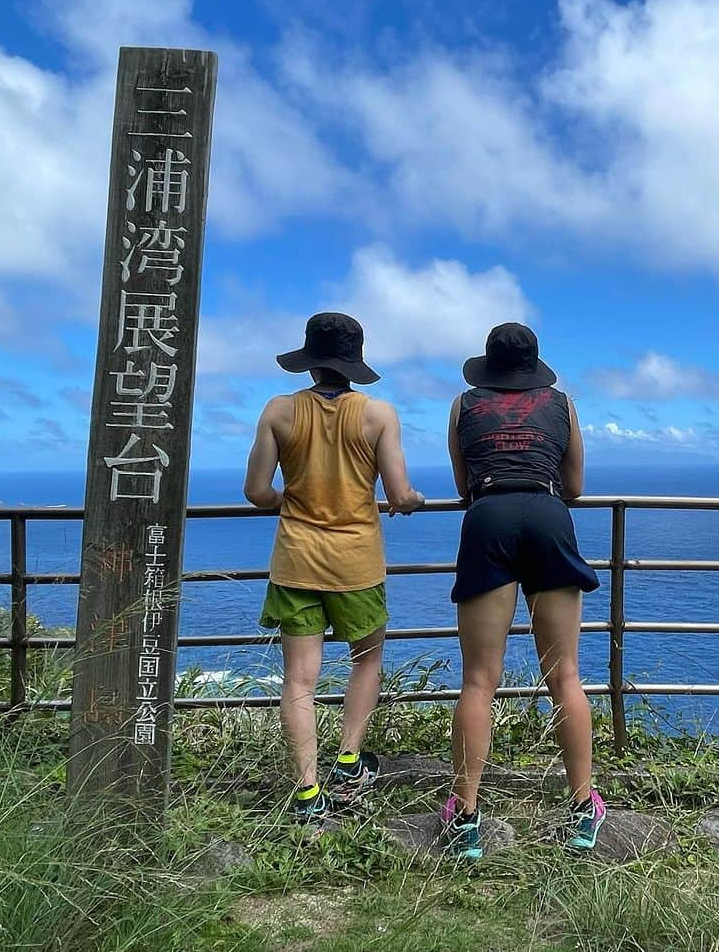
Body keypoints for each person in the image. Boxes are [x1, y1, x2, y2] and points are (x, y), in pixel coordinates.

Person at [244, 312, 424, 820]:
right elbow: (398, 492)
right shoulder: (377, 415)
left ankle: (306, 792)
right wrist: (411, 499)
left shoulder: (279, 412)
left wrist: (288, 500)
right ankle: (349, 760)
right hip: (357, 563)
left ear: (310, 362)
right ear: (353, 362)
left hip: (296, 559)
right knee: (366, 659)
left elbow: (257, 491)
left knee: (299, 680)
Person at [442, 322, 604, 857]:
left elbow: (463, 485)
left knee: (479, 681)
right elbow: (576, 485)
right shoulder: (563, 404)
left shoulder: (463, 405)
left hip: (488, 516)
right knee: (566, 676)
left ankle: (465, 815)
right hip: (547, 514)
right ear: (535, 366)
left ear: (488, 364)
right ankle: (584, 808)